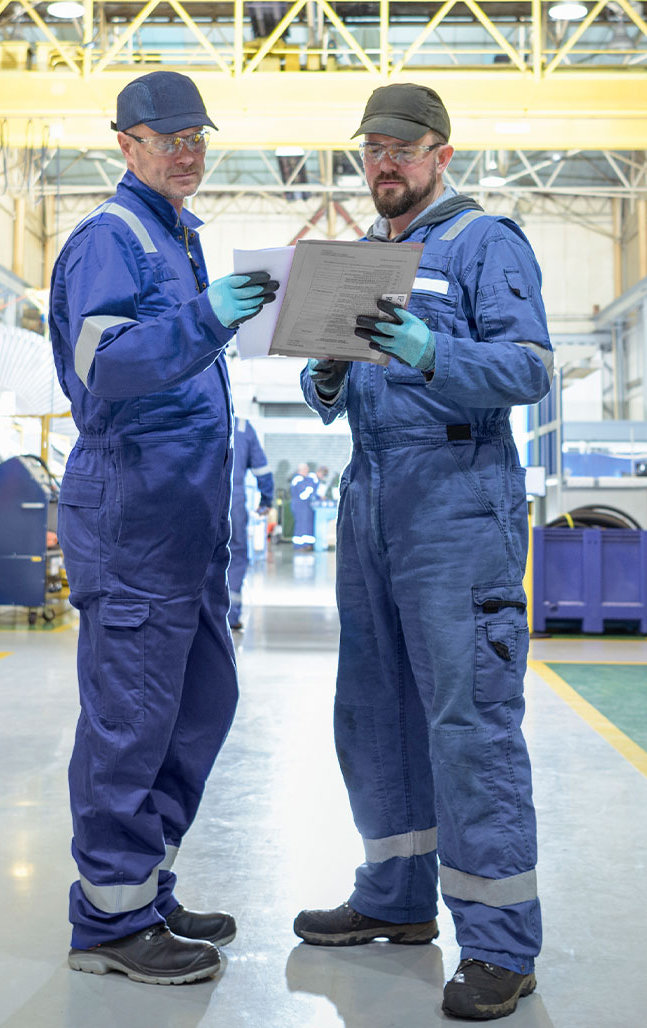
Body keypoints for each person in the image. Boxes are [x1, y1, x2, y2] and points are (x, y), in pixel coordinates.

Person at [291, 82, 553, 1021]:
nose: (385, 164)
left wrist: (431, 349)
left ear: (442, 154)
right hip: (370, 496)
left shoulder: (486, 243)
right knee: (375, 711)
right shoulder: (363, 258)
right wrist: (327, 374)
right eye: (372, 150)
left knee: (468, 718)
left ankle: (499, 945)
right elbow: (346, 394)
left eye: (403, 148)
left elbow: (527, 369)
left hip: (456, 501)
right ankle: (396, 901)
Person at [48, 69, 278, 986]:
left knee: (197, 708)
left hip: (185, 528)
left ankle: (144, 882)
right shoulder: (113, 238)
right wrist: (207, 315)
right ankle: (109, 922)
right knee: (131, 721)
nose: (187, 150)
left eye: (197, 136)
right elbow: (108, 366)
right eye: (168, 135)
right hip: (133, 515)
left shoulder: (176, 241)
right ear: (126, 144)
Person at [228, 391, 273, 631]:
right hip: (232, 501)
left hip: (198, 500)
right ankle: (231, 616)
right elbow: (262, 469)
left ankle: (200, 619)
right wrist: (266, 499)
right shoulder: (243, 428)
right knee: (234, 556)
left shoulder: (193, 420)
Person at [289, 463, 322, 548]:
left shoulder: (306, 479)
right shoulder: (297, 479)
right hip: (299, 507)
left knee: (307, 525)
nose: (307, 471)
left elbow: (313, 489)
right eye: (306, 469)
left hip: (306, 507)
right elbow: (307, 490)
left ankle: (307, 544)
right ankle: (299, 546)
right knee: (301, 525)